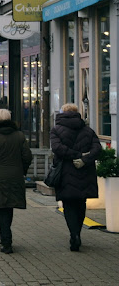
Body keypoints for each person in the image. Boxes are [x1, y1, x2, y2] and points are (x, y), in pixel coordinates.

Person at [0, 109, 33, 254]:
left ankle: (6, 240)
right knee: (9, 206)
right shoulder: (19, 136)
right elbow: (27, 156)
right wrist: (22, 170)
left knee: (1, 206)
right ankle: (5, 234)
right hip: (15, 176)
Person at [50, 103, 102, 251]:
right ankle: (78, 233)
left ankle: (74, 235)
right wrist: (84, 158)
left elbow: (57, 148)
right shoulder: (87, 130)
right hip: (85, 172)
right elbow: (97, 148)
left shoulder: (56, 130)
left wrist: (74, 155)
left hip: (65, 172)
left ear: (62, 113)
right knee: (81, 203)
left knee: (68, 205)